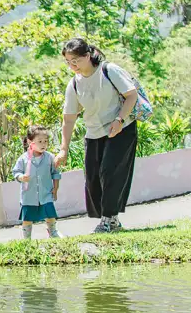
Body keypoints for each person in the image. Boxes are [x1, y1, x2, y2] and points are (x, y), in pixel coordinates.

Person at [55, 38, 139, 233]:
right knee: (92, 178)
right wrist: (63, 149)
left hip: (121, 128)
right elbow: (68, 119)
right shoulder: (74, 84)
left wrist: (119, 120)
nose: (72, 65)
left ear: (87, 55)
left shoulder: (108, 70)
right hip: (94, 133)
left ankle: (108, 220)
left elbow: (131, 95)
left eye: (75, 60)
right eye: (68, 62)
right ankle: (110, 220)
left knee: (110, 171)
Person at [12, 125, 62, 240]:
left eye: (45, 141)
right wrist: (21, 177)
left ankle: (53, 232)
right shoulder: (23, 159)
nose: (43, 144)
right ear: (30, 142)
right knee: (27, 218)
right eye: (40, 141)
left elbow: (56, 173)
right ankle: (27, 238)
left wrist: (55, 188)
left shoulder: (50, 158)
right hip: (29, 195)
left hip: (46, 193)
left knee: (50, 214)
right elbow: (16, 172)